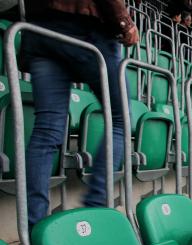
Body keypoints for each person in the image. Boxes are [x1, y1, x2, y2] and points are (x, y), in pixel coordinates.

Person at [22, 1, 139, 230]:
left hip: (42, 30)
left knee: (46, 130)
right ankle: (95, 209)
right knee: (121, 120)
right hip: (86, 29)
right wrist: (126, 25)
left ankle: (33, 231)